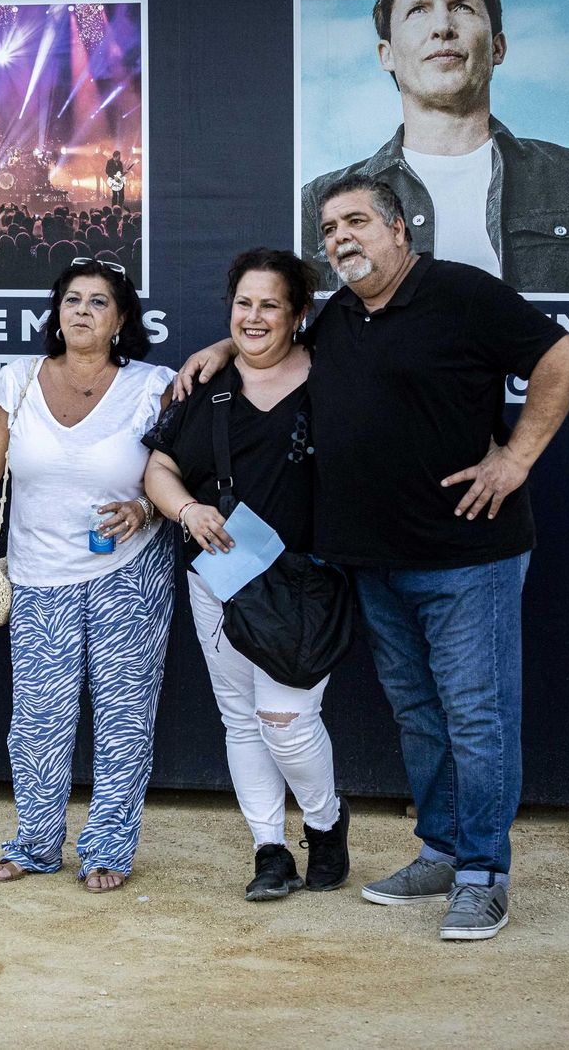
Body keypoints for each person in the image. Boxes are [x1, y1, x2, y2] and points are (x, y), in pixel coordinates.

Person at [298, 175, 569, 939]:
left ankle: (484, 872)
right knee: (420, 716)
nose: (339, 239)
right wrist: (230, 342)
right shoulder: (337, 319)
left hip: (468, 558)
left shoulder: (462, 293)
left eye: (355, 222)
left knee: (476, 718)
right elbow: (278, 356)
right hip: (375, 561)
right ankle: (443, 849)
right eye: (328, 230)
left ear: (399, 228)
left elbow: (561, 356)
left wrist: (516, 459)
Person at [0, 258, 175, 894]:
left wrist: (147, 506)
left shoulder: (155, 384)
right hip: (38, 574)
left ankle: (108, 849)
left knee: (125, 714)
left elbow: (184, 472)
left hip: (128, 572)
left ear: (122, 318)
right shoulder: (18, 379)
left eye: (99, 302)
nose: (82, 311)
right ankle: (37, 844)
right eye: (72, 300)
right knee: (38, 718)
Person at [142, 249, 349, 903]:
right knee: (240, 719)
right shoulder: (207, 386)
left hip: (307, 580)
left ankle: (325, 823)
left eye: (269, 305)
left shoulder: (334, 376)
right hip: (221, 575)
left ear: (299, 315)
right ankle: (270, 850)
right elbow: (158, 469)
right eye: (243, 304)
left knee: (285, 717)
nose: (253, 318)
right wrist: (186, 507)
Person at [298, 0, 569, 294]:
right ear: (387, 55)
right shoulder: (317, 202)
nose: (442, 27)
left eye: (462, 7)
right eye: (417, 10)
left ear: (497, 47)